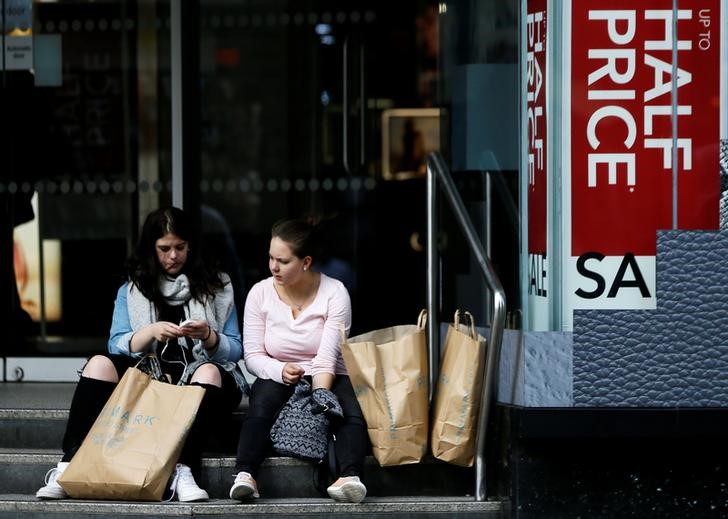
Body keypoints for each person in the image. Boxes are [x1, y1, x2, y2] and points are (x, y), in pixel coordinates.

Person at [36, 206, 248, 502]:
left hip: (203, 381)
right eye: (164, 249)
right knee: (98, 364)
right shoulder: (133, 288)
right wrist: (149, 332)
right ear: (151, 248)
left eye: (180, 248)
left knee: (209, 370)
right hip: (149, 379)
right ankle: (69, 465)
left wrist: (209, 336)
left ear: (192, 246)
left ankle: (183, 471)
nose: (172, 256)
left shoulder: (218, 285)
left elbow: (236, 349)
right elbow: (116, 343)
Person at [229, 218, 368, 503]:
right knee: (263, 400)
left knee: (349, 407)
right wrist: (279, 370)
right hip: (278, 369)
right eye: (271, 257)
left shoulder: (335, 292)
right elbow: (252, 355)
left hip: (328, 371)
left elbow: (327, 357)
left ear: (305, 262)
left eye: (283, 260)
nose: (273, 267)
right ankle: (246, 475)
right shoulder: (260, 293)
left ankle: (349, 477)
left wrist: (321, 394)